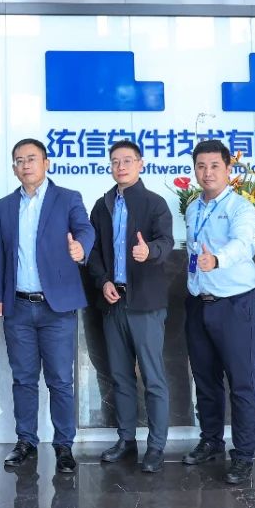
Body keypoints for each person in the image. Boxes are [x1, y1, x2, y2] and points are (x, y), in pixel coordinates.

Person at [0, 138, 95, 474]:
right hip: (18, 306)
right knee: (23, 379)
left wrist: (80, 248)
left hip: (56, 307)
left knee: (60, 380)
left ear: (46, 163)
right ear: (13, 168)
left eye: (31, 158)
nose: (25, 165)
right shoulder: (6, 206)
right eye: (19, 160)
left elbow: (85, 229)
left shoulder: (68, 198)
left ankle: (64, 445)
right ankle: (26, 441)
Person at [86, 140, 174, 474]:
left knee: (153, 378)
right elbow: (94, 252)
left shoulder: (154, 203)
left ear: (140, 164)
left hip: (146, 304)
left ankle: (156, 446)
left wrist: (149, 251)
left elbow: (165, 242)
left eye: (127, 160)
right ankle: (126, 440)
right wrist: (103, 281)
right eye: (115, 161)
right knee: (120, 377)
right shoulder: (102, 205)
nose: (120, 166)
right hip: (114, 302)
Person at [182, 139, 255, 485]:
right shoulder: (192, 208)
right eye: (201, 166)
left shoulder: (241, 208)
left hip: (234, 304)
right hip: (198, 302)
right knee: (205, 380)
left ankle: (243, 455)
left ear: (228, 169)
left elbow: (244, 244)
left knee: (242, 383)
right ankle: (211, 440)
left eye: (215, 166)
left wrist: (217, 259)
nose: (207, 172)